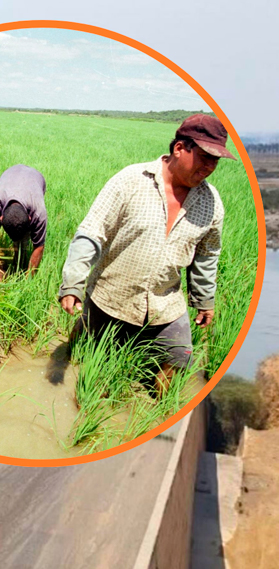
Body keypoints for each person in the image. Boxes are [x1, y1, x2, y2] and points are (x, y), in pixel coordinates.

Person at [59, 113, 232, 392]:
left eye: (216, 160)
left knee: (179, 360)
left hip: (166, 303)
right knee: (87, 355)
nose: (210, 167)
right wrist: (73, 284)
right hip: (111, 295)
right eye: (204, 156)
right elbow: (92, 232)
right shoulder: (131, 180)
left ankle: (157, 415)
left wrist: (204, 299)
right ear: (179, 148)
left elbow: (206, 255)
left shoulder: (211, 202)